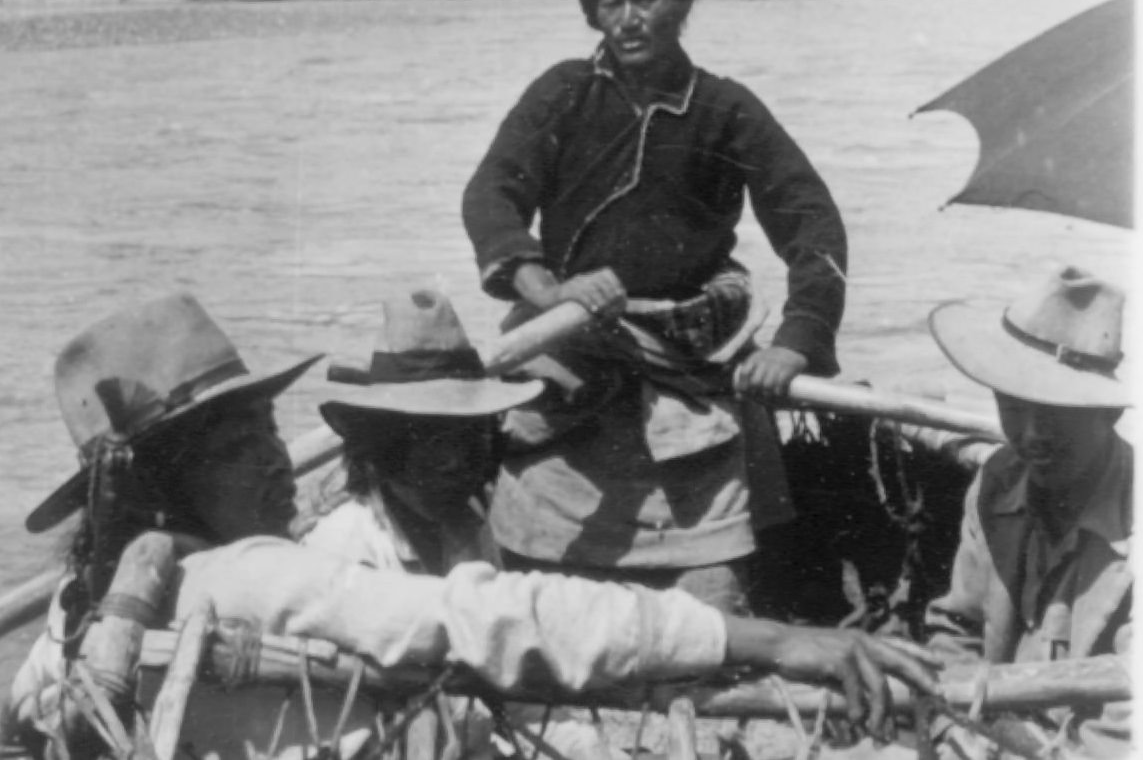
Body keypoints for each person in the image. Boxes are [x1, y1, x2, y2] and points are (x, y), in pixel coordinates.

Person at [4, 292, 938, 760]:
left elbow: (30, 704)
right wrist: (766, 636)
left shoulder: (68, 630)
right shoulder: (249, 575)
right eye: (239, 445)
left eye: (266, 435)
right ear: (165, 481)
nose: (275, 462)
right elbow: (489, 616)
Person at [462, 0, 848, 612]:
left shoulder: (726, 110)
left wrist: (797, 339)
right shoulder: (562, 94)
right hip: (567, 366)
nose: (628, 18)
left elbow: (812, 224)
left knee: (712, 610)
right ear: (592, 10)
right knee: (533, 599)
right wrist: (545, 288)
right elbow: (491, 195)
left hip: (692, 378)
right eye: (612, 1)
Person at [925, 265, 1132, 758]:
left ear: (1109, 411)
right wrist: (956, 727)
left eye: (1057, 411)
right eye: (1014, 407)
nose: (1033, 434)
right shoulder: (997, 482)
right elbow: (956, 628)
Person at [302, 286, 543, 574]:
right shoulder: (346, 543)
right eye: (433, 441)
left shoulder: (471, 519)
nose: (455, 461)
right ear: (383, 445)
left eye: (470, 437)